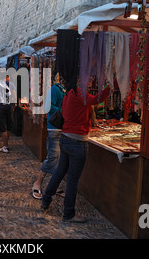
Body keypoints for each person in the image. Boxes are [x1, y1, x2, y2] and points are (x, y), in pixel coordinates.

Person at [41, 80, 113, 223]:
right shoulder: (79, 93)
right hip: (77, 142)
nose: (90, 79)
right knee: (72, 180)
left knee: (59, 172)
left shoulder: (68, 93)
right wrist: (113, 85)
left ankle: (46, 199)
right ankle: (68, 213)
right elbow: (97, 99)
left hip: (66, 138)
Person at [32, 75, 66, 200]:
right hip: (54, 128)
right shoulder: (55, 89)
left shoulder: (67, 90)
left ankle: (54, 185)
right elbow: (49, 107)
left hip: (64, 129)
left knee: (60, 159)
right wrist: (64, 111)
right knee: (52, 157)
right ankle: (37, 183)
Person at [0, 74, 16, 153]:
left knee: (2, 126)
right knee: (8, 126)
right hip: (9, 107)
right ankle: (6, 144)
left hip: (1, 107)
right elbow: (14, 95)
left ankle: (5, 146)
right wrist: (13, 105)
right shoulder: (11, 84)